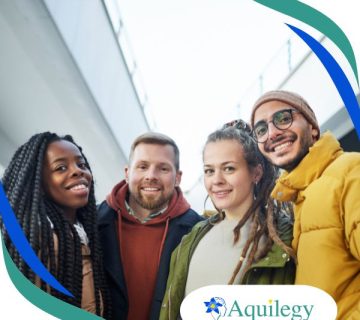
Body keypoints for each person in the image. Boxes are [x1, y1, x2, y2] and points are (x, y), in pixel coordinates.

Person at [160, 120, 296, 320]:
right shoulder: (191, 239)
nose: (216, 180)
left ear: (256, 172)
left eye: (229, 168)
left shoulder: (285, 238)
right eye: (209, 171)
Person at [250, 90, 360, 319]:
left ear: (312, 127)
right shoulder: (298, 197)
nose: (272, 133)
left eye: (283, 118)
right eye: (261, 129)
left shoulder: (350, 171)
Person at [0, 132, 110, 317]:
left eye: (81, 164)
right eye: (60, 168)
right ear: (39, 183)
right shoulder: (42, 239)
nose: (77, 171)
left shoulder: (85, 232)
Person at [97, 132, 202, 320]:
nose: (151, 176)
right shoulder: (93, 221)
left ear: (177, 177)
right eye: (142, 166)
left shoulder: (198, 230)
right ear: (128, 173)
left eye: (163, 169)